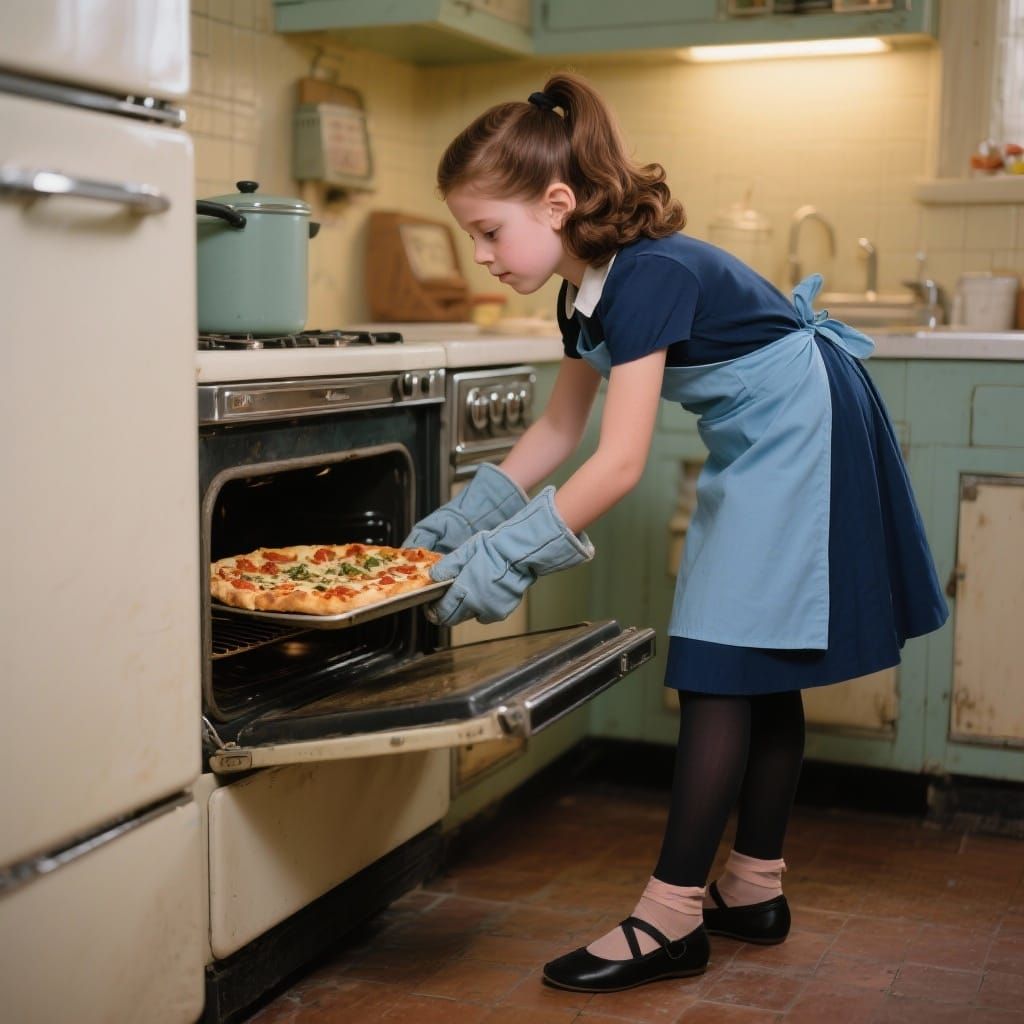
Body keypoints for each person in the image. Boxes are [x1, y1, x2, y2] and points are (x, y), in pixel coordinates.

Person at [403, 71, 949, 993]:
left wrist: (501, 562)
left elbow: (617, 465)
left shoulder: (644, 276)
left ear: (558, 202)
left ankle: (669, 918)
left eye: (489, 231)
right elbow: (558, 431)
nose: (482, 256)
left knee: (717, 662)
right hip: (772, 432)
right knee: (755, 663)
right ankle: (753, 888)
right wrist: (451, 530)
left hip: (804, 430)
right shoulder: (583, 293)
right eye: (471, 237)